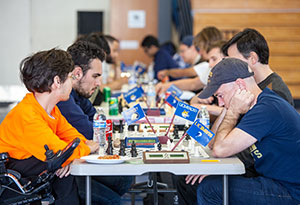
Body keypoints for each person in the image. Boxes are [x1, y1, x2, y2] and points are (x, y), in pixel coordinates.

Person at [193, 58, 300, 204]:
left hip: (290, 190)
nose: (220, 103)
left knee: (210, 189)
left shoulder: (266, 109)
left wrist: (233, 111)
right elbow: (212, 143)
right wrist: (228, 109)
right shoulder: (253, 105)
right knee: (203, 182)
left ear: (239, 84)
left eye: (220, 95)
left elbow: (219, 149)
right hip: (273, 179)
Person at [0, 49, 99, 204]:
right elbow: (60, 153)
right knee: (65, 175)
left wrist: (69, 156)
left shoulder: (51, 110)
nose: (73, 82)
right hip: (13, 177)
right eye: (70, 77)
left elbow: (74, 138)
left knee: (65, 170)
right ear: (57, 81)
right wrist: (83, 150)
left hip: (35, 167)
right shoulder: (27, 116)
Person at [57, 41, 133, 205]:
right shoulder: (63, 98)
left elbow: (98, 124)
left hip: (74, 161)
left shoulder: (78, 95)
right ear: (77, 73)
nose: (99, 83)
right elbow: (91, 132)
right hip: (60, 173)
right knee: (113, 200)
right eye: (95, 76)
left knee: (124, 178)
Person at [222, 28, 294, 106]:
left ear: (253, 58)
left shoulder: (275, 93)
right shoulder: (258, 86)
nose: (231, 65)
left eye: (234, 60)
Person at [155, 27, 223, 96]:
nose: (200, 51)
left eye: (200, 46)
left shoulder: (206, 64)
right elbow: (193, 84)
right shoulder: (209, 66)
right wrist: (166, 85)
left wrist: (167, 74)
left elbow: (184, 73)